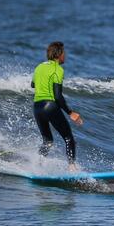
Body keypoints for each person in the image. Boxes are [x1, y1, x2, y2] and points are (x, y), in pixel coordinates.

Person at [31, 41, 83, 169]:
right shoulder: (58, 69)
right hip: (50, 106)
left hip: (37, 107)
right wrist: (71, 113)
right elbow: (58, 96)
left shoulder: (39, 67)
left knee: (47, 141)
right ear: (59, 54)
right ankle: (72, 168)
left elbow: (33, 84)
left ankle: (36, 165)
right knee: (68, 138)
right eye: (64, 53)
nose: (65, 56)